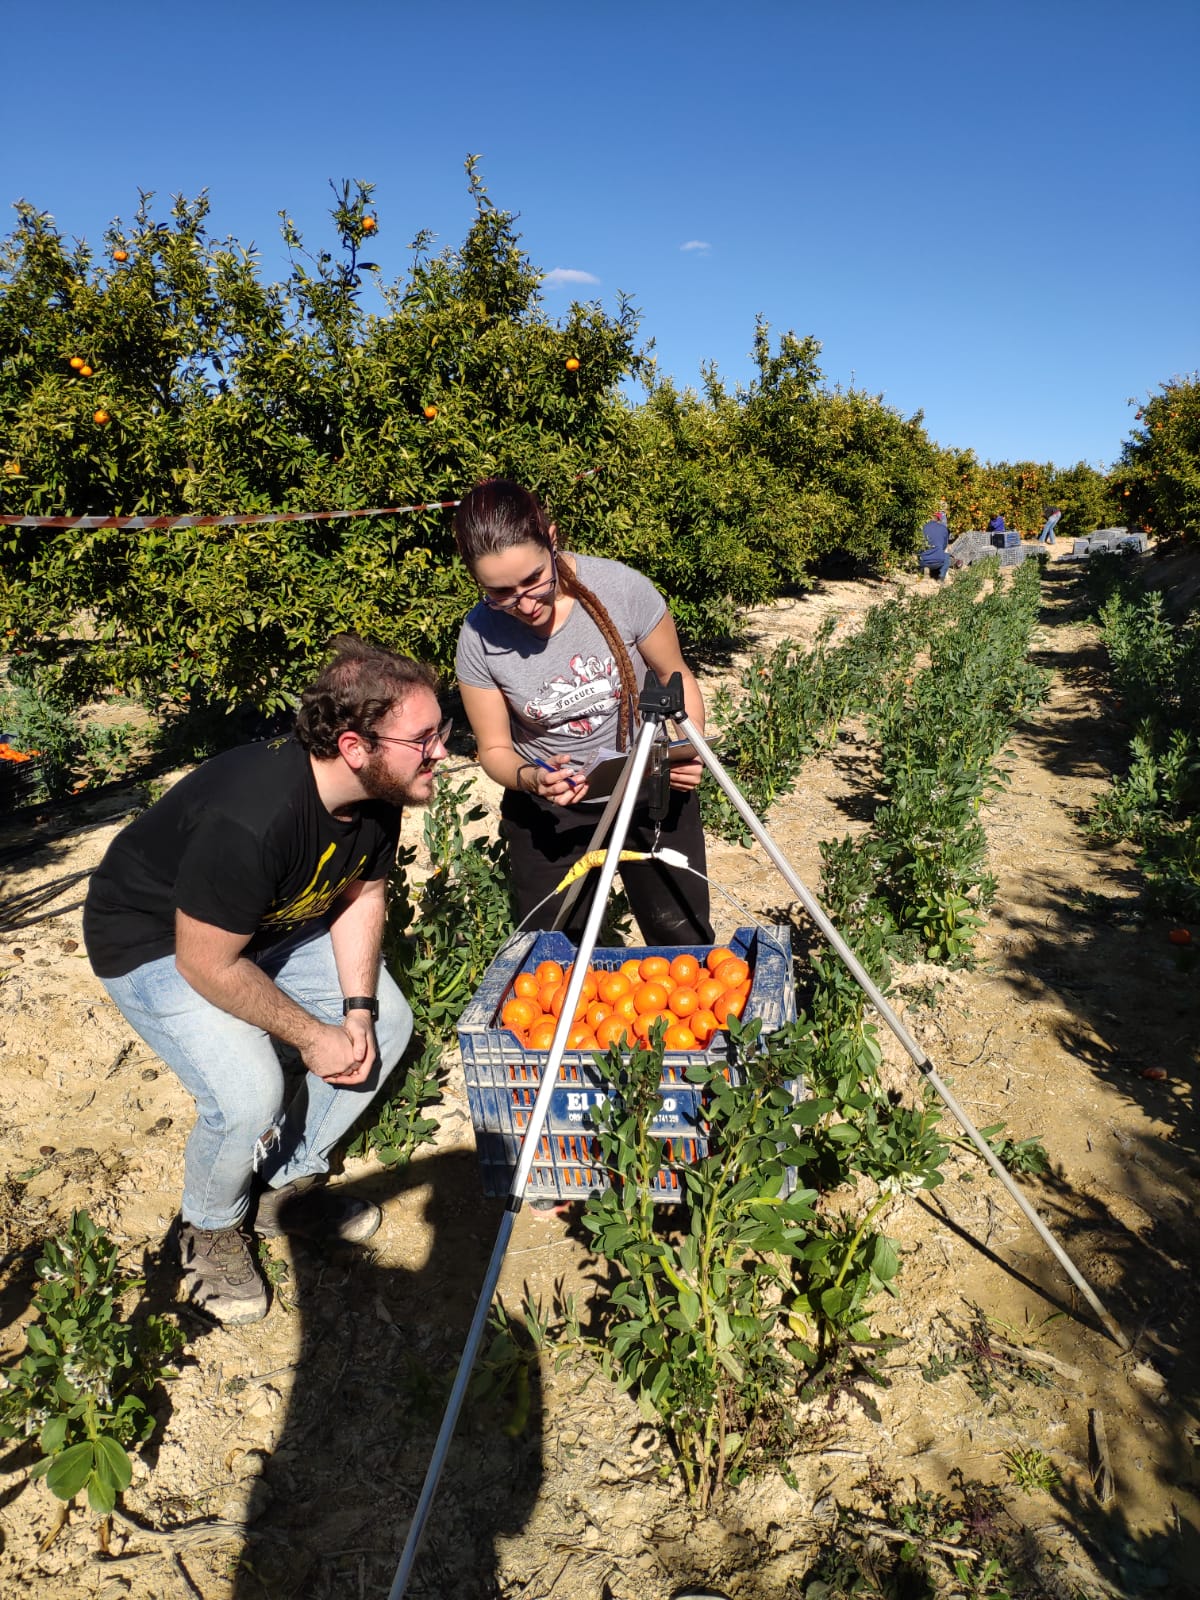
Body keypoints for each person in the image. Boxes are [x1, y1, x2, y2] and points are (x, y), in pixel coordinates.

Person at [83, 636, 449, 1325]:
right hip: (157, 941)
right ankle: (211, 1225)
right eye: (424, 738)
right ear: (353, 744)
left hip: (263, 927)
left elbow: (360, 896)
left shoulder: (380, 790)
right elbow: (206, 963)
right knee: (251, 1090)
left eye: (442, 730)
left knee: (390, 1025)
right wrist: (311, 1036)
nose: (441, 752)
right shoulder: (253, 820)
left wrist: (358, 1009)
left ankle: (286, 1182)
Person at [453, 477, 714, 945]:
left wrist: (684, 748)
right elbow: (493, 748)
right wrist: (533, 778)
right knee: (558, 955)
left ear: (552, 541)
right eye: (500, 593)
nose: (525, 603)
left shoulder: (622, 590)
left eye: (533, 579)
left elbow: (677, 676)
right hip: (552, 814)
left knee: (682, 941)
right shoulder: (479, 638)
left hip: (646, 790)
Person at [917, 511, 952, 583]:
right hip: (938, 562)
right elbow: (944, 546)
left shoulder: (921, 527)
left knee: (920, 552)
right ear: (939, 519)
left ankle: (921, 573)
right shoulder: (944, 529)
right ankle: (941, 577)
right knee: (946, 557)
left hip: (923, 561)